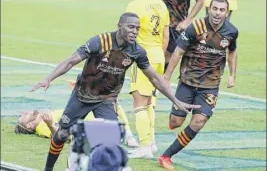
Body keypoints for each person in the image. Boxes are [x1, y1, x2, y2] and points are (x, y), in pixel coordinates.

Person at [30, 12, 200, 171]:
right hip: (82, 95)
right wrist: (48, 78)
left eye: (137, 28)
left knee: (110, 141)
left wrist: (175, 101)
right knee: (61, 134)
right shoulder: (99, 41)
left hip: (106, 99)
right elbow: (70, 61)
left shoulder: (137, 51)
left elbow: (154, 78)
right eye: (130, 27)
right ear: (119, 26)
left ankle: (80, 163)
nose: (134, 32)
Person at [158, 0, 238, 170]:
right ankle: (174, 119)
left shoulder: (231, 32)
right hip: (188, 81)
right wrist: (167, 76)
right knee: (176, 122)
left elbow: (232, 53)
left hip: (210, 85)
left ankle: (166, 156)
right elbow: (178, 51)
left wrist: (232, 75)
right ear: (209, 9)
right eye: (214, 8)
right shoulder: (195, 27)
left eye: (221, 10)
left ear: (226, 12)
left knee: (198, 121)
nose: (217, 13)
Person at [125, 0, 170, 158]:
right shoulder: (161, 4)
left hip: (142, 56)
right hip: (158, 55)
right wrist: (160, 56)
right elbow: (166, 36)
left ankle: (144, 146)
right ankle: (151, 143)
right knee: (150, 101)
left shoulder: (134, 5)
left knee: (139, 102)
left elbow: (126, 33)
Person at [160, 0, 204, 70]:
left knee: (168, 56)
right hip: (157, 22)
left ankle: (161, 79)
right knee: (152, 53)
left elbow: (200, 0)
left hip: (175, 25)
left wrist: (188, 20)